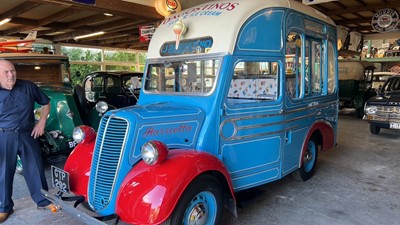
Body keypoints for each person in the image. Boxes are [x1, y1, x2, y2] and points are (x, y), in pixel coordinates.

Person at [0, 59, 60, 223]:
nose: (11, 75)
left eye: (12, 71)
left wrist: (41, 122)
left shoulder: (28, 86)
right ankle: (4, 207)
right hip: (4, 136)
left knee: (35, 168)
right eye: (6, 72)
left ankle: (43, 201)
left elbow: (46, 103)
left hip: (28, 134)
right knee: (4, 172)